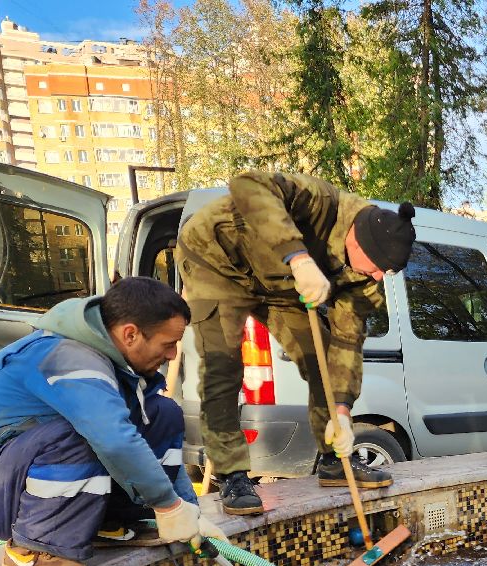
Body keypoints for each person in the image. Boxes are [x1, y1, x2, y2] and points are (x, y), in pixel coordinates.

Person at [0, 277, 225, 566]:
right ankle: (34, 547)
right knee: (85, 434)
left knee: (163, 413)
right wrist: (169, 506)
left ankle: (111, 521)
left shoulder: (110, 361)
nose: (173, 354)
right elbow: (114, 441)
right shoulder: (67, 358)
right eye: (168, 344)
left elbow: (146, 440)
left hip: (8, 475)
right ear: (130, 334)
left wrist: (189, 512)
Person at [178, 170, 416, 515]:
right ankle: (232, 474)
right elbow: (247, 185)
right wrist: (300, 258)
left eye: (387, 273)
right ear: (359, 241)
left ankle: (334, 460)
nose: (379, 277)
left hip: (280, 285)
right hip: (218, 260)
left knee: (322, 364)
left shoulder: (363, 280)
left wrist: (343, 411)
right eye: (379, 267)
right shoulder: (320, 201)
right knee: (224, 365)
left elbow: (347, 345)